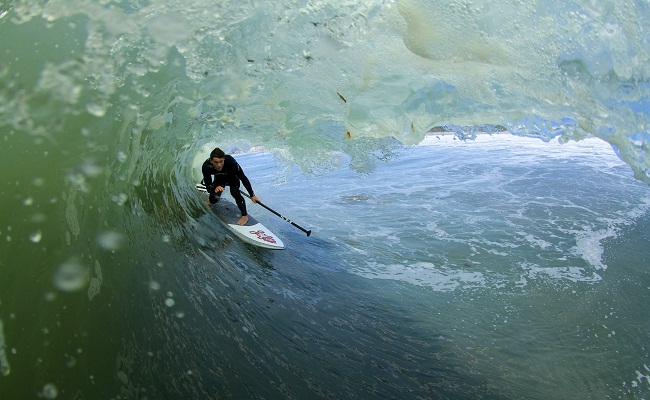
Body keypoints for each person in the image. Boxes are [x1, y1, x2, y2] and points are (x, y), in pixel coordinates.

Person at [201, 147, 260, 225]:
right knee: (213, 200)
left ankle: (245, 216)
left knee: (235, 192)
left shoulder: (230, 161)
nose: (219, 165)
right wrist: (214, 188)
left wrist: (252, 195)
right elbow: (208, 185)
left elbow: (243, 177)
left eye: (221, 161)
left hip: (232, 178)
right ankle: (211, 199)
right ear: (211, 161)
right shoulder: (206, 166)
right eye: (216, 162)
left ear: (224, 159)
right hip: (219, 180)